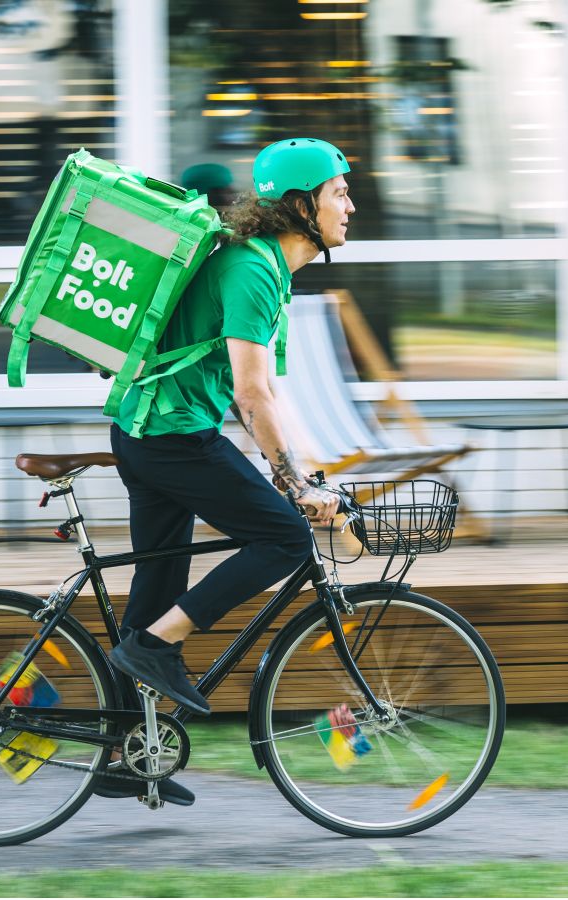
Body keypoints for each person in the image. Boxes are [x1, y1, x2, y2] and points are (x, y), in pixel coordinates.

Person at [94, 138, 355, 805]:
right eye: (338, 193)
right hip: (174, 439)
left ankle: (128, 755)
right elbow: (251, 392)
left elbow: (258, 391)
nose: (350, 205)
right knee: (285, 539)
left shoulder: (260, 263)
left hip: (149, 432)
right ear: (302, 206)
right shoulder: (254, 270)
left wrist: (297, 470)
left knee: (155, 592)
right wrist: (292, 486)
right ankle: (159, 649)